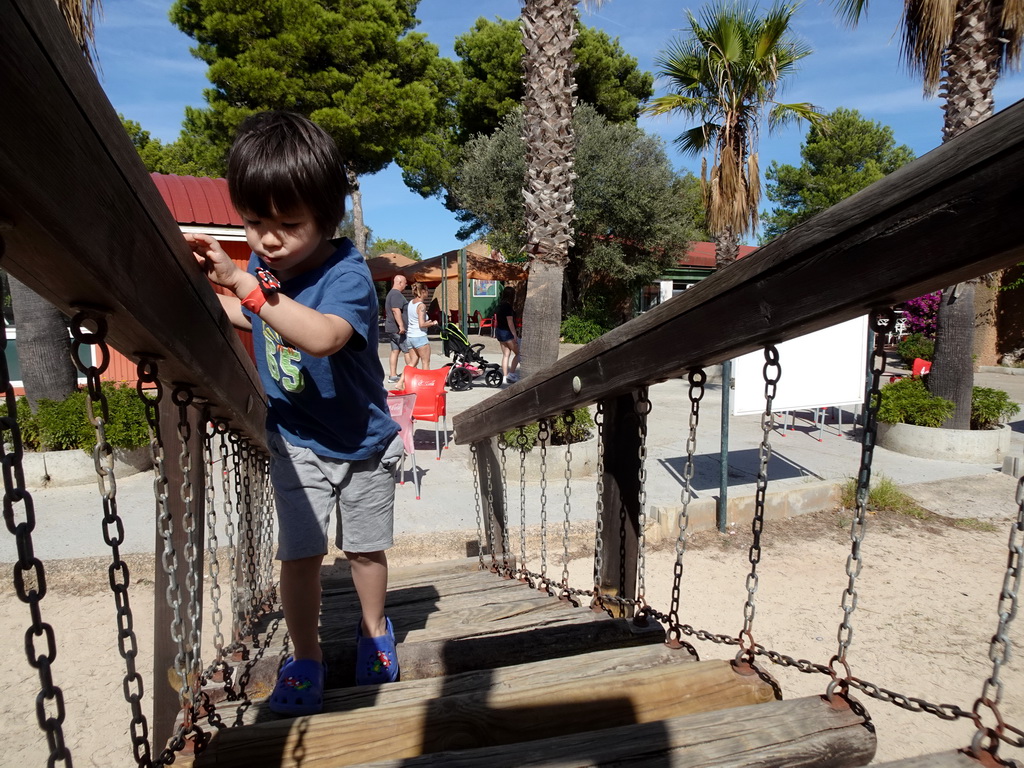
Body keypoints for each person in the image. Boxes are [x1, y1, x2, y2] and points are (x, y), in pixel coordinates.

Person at [185, 111, 402, 717]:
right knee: (300, 554)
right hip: (298, 439)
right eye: (254, 223)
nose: (268, 240)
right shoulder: (263, 269)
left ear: (327, 218)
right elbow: (253, 318)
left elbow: (325, 337)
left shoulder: (348, 273)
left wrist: (246, 287)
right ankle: (305, 655)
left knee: (364, 551)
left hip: (363, 442)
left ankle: (374, 628)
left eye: (288, 224)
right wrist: (215, 288)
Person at [384, 274, 414, 383]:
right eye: (405, 283)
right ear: (399, 282)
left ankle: (393, 375)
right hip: (397, 329)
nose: (406, 285)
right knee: (407, 351)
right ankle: (412, 375)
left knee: (394, 351)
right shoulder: (396, 294)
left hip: (391, 328)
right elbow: (396, 310)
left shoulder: (391, 294)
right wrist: (401, 326)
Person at [406, 283, 439, 369]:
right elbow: (422, 324)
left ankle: (401, 381)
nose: (428, 292)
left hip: (410, 336)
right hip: (419, 336)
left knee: (413, 362)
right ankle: (425, 381)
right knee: (425, 362)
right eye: (427, 291)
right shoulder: (422, 306)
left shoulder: (410, 303)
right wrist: (432, 323)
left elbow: (415, 319)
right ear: (423, 292)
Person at [495, 286, 520, 383]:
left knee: (506, 354)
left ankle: (505, 376)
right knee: (519, 353)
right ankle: (512, 374)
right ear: (512, 296)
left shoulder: (500, 305)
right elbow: (510, 322)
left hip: (499, 331)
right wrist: (514, 334)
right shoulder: (508, 307)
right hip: (507, 332)